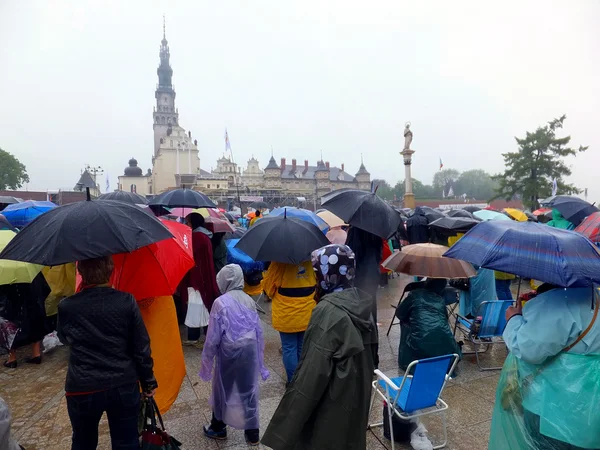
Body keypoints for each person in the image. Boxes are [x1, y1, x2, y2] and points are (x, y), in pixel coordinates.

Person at [262, 244, 375, 450]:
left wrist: (286, 425)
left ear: (327, 273)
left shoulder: (327, 310)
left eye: (316, 271)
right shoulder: (362, 303)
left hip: (334, 397)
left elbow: (312, 374)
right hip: (358, 393)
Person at [57, 256, 157, 450]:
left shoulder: (67, 306)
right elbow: (141, 346)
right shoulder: (126, 301)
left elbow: (64, 338)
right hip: (123, 384)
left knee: (83, 442)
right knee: (126, 441)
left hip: (82, 386)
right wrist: (148, 381)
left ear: (81, 273)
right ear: (111, 271)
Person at [489, 285, 600, 449]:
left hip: (552, 406)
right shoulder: (593, 295)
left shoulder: (560, 301)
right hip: (588, 404)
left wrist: (514, 318)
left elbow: (528, 350)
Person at [200, 264, 269, 446]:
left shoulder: (220, 302)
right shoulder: (248, 300)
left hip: (229, 353)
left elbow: (213, 337)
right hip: (249, 351)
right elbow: (258, 331)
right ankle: (252, 433)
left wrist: (207, 361)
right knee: (249, 389)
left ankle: (218, 427)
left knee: (223, 389)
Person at [262, 259, 316, 384]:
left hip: (287, 314)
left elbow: (269, 289)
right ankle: (302, 380)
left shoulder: (279, 263)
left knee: (289, 347)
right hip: (307, 311)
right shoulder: (309, 261)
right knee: (302, 346)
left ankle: (293, 382)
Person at [396, 278, 462, 371]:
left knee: (405, 323)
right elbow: (445, 319)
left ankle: (407, 358)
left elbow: (399, 314)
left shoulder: (414, 294)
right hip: (444, 341)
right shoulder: (440, 300)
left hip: (419, 340)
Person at [181, 213, 220, 345]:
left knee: (195, 306)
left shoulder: (196, 237)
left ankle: (194, 336)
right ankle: (207, 334)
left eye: (188, 222)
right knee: (204, 305)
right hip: (204, 276)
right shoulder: (205, 236)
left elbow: (190, 258)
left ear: (194, 223)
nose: (187, 225)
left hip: (196, 277)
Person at [346, 226, 382, 368]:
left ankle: (361, 359)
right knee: (372, 316)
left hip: (359, 278)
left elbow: (351, 255)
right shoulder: (376, 231)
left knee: (358, 318)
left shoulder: (356, 230)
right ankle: (374, 359)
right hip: (372, 277)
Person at [0, 274, 49, 368]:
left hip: (11, 305)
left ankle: (12, 358)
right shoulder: (29, 265)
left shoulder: (4, 269)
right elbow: (44, 287)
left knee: (8, 326)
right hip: (33, 302)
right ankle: (36, 354)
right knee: (35, 321)